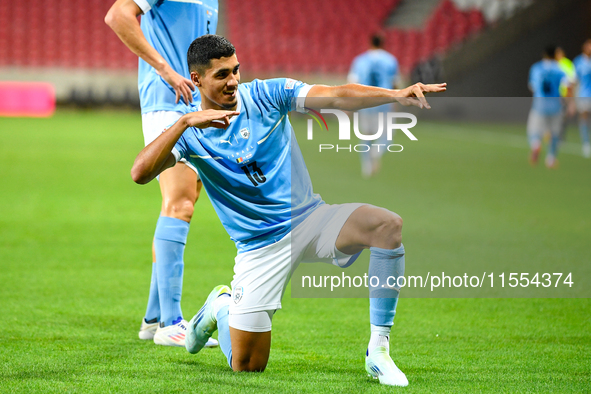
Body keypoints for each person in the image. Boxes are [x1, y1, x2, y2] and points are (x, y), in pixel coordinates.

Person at [130, 35, 446, 386]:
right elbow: (140, 174)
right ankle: (220, 306)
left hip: (311, 219)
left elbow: (336, 94)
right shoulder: (191, 134)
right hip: (259, 248)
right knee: (247, 365)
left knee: (387, 225)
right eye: (221, 75)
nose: (233, 81)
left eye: (235, 70)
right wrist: (183, 123)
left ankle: (379, 351)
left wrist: (395, 94)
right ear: (196, 79)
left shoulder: (267, 94)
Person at [105, 0, 219, 347]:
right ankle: (170, 322)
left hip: (191, 104)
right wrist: (165, 69)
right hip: (167, 103)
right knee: (179, 203)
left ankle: (153, 318)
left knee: (187, 200)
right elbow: (117, 15)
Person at [347, 34, 400, 178]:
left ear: (370, 42)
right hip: (383, 102)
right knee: (387, 137)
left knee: (366, 136)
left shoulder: (360, 60)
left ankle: (367, 169)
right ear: (383, 43)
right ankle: (376, 152)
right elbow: (395, 83)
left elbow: (352, 84)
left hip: (365, 102)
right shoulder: (390, 60)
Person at [527, 46, 569, 168]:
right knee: (555, 133)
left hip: (539, 105)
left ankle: (536, 144)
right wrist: (569, 103)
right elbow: (568, 86)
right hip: (556, 105)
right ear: (554, 55)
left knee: (533, 130)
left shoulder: (536, 68)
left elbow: (532, 87)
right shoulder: (559, 69)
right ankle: (551, 159)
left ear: (544, 55)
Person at [574, 39, 591, 158]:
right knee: (584, 118)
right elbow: (575, 80)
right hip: (584, 94)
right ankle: (586, 143)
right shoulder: (578, 62)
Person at [555, 47, 576, 142]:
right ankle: (553, 135)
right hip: (553, 95)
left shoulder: (567, 64)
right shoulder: (553, 64)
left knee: (562, 116)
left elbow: (572, 80)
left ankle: (560, 135)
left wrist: (571, 98)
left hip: (564, 95)